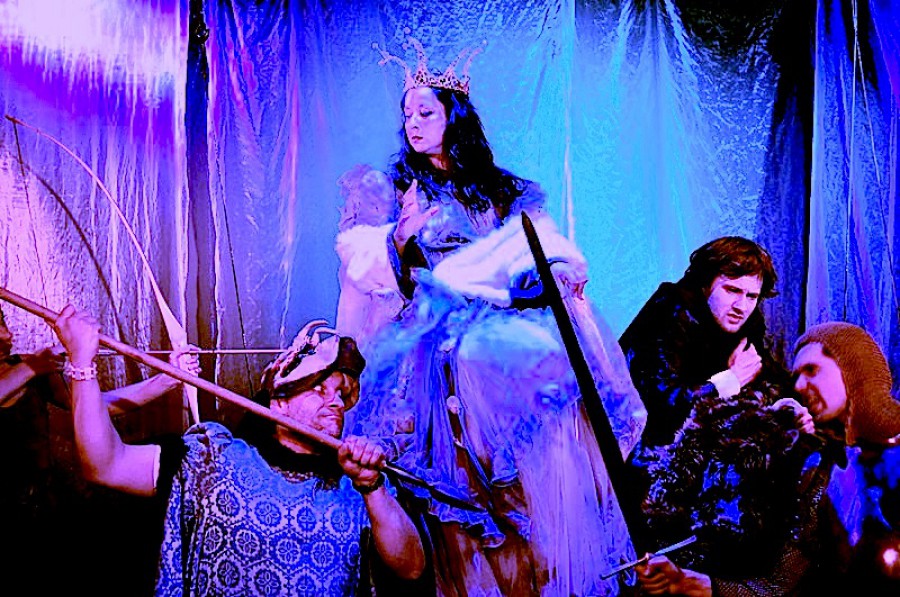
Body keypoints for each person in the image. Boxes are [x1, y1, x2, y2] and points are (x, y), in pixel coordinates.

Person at [337, 34, 647, 596]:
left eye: (425, 112)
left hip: (502, 320)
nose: (413, 124)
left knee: (539, 390)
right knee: (465, 488)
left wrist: (557, 271)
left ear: (453, 117)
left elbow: (537, 252)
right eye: (407, 115)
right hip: (437, 334)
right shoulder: (401, 190)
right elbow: (369, 273)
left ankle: (534, 515)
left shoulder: (504, 192)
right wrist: (400, 240)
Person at [52, 307, 425, 596]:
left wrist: (373, 487)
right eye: (318, 388)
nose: (336, 403)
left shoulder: (358, 484)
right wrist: (83, 363)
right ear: (279, 401)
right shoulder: (211, 458)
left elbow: (411, 567)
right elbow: (105, 464)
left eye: (342, 395)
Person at [637, 322, 900, 595]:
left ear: (853, 368)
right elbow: (779, 582)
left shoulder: (888, 454)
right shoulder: (817, 468)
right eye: (796, 375)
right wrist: (688, 582)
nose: (799, 385)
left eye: (812, 370)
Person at [0, 304, 201, 593]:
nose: (7, 335)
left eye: (3, 322)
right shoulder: (30, 366)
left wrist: (167, 379)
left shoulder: (26, 365)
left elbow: (95, 407)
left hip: (39, 505)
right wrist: (33, 366)